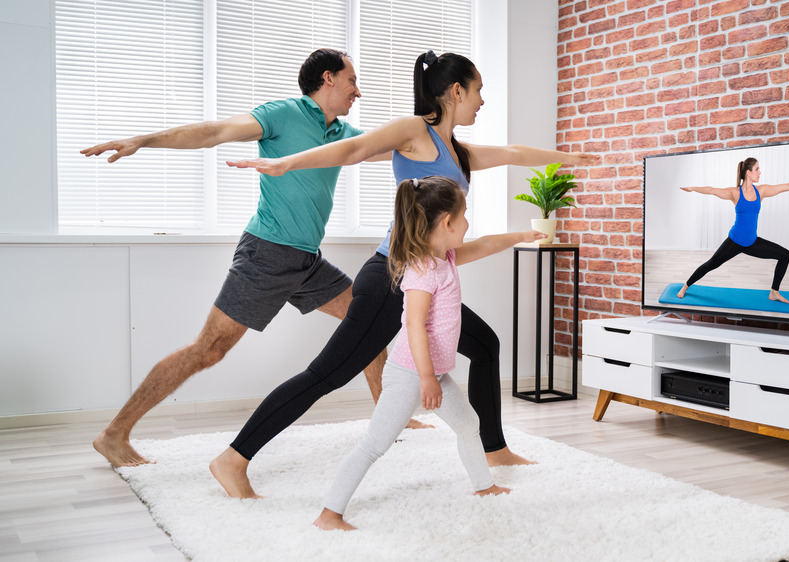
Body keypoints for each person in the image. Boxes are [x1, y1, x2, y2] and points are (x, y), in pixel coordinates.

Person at [210, 50, 599, 498]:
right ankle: (233, 458)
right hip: (391, 277)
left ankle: (493, 449)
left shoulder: (459, 152)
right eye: (478, 92)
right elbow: (355, 148)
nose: (481, 102)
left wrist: (574, 157)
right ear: (456, 91)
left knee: (485, 345)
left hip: (425, 276)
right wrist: (287, 163)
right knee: (326, 375)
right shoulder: (415, 132)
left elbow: (513, 153)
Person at [82, 48, 427, 468]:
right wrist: (144, 139)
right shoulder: (282, 114)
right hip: (267, 253)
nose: (359, 90)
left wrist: (442, 128)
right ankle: (113, 434)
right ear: (328, 79)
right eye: (352, 80)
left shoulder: (342, 134)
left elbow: (402, 149)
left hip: (306, 261)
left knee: (367, 323)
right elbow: (214, 131)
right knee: (208, 350)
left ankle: (389, 420)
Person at [316, 176, 539, 531]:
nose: (468, 223)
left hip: (432, 372)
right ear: (447, 223)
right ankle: (329, 513)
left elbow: (484, 245)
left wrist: (523, 237)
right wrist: (424, 379)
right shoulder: (422, 272)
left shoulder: (446, 257)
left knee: (468, 424)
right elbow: (414, 327)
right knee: (374, 444)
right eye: (464, 215)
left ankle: (484, 486)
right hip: (410, 374)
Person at [676, 157, 789, 304]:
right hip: (735, 241)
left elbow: (787, 186)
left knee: (785, 255)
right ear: (748, 172)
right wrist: (693, 188)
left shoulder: (761, 191)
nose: (760, 172)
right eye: (757, 169)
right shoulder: (735, 193)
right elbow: (711, 190)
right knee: (712, 264)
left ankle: (774, 292)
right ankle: (685, 286)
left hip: (752, 242)